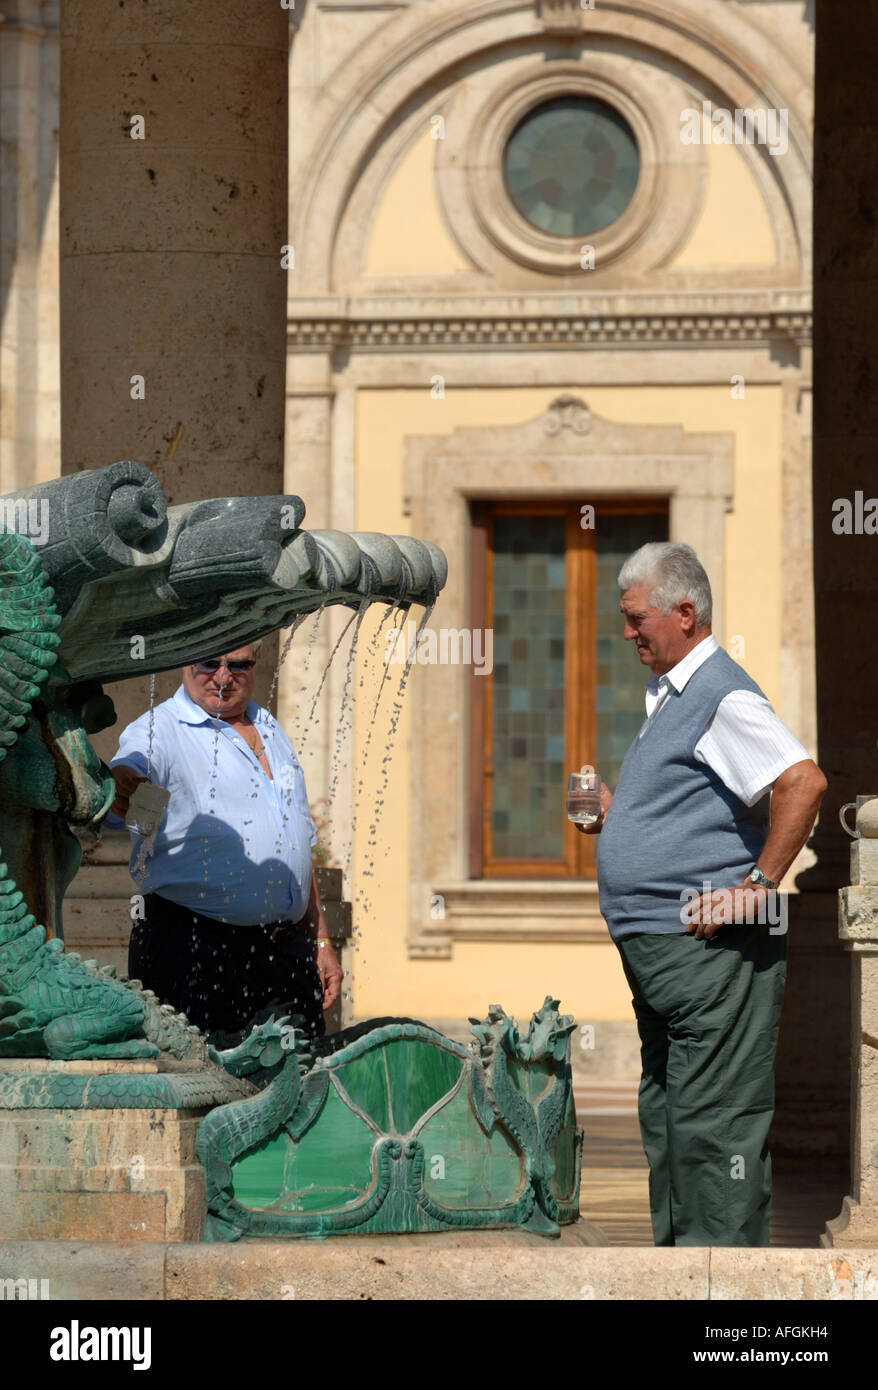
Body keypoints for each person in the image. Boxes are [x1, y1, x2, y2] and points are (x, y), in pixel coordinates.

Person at [579, 542, 826, 1247]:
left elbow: (801, 782)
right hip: (667, 955)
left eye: (636, 619)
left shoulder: (722, 694)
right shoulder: (676, 698)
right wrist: (617, 811)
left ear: (684, 613)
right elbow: (700, 809)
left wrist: (758, 885)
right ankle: (682, 1281)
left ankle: (725, 1316)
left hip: (710, 955)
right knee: (671, 1124)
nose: (626, 633)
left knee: (715, 1131)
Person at [108, 642, 342, 1043]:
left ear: (254, 665)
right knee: (203, 1093)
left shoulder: (269, 726)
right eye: (209, 662)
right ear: (185, 661)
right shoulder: (160, 729)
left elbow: (296, 841)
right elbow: (131, 776)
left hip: (285, 951)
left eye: (237, 665)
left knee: (304, 1080)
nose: (222, 676)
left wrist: (320, 940)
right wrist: (127, 785)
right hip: (195, 948)